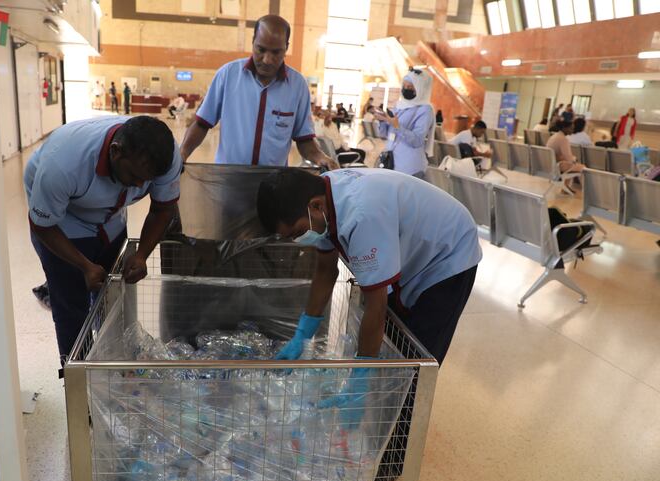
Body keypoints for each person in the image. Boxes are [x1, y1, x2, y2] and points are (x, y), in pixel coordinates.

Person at [257, 166, 481, 364]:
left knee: (416, 358)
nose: (298, 239)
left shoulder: (361, 215)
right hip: (413, 245)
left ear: (315, 206)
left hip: (448, 250)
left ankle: (406, 409)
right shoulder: (323, 197)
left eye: (298, 232)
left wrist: (361, 374)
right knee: (391, 342)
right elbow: (325, 272)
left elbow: (376, 304)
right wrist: (302, 335)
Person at [25, 116, 182, 368]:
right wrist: (84, 265)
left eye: (148, 179)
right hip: (64, 218)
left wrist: (142, 254)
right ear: (115, 152)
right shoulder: (62, 165)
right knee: (71, 302)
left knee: (111, 294)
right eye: (135, 176)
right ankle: (76, 379)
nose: (141, 186)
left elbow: (163, 209)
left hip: (111, 213)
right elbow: (43, 226)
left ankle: (112, 368)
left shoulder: (164, 156)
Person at [180, 14, 336, 169]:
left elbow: (304, 139)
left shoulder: (298, 86)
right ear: (253, 42)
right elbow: (201, 124)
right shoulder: (227, 75)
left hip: (273, 184)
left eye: (276, 52)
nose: (267, 59)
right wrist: (183, 152)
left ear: (286, 48)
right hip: (229, 180)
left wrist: (320, 157)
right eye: (261, 49)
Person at [373, 67, 436, 178]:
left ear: (421, 89)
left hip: (409, 167)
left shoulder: (425, 109)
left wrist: (397, 126)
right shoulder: (399, 105)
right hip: (391, 162)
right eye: (405, 86)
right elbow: (383, 134)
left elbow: (417, 141)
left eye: (411, 87)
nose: (406, 89)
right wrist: (382, 120)